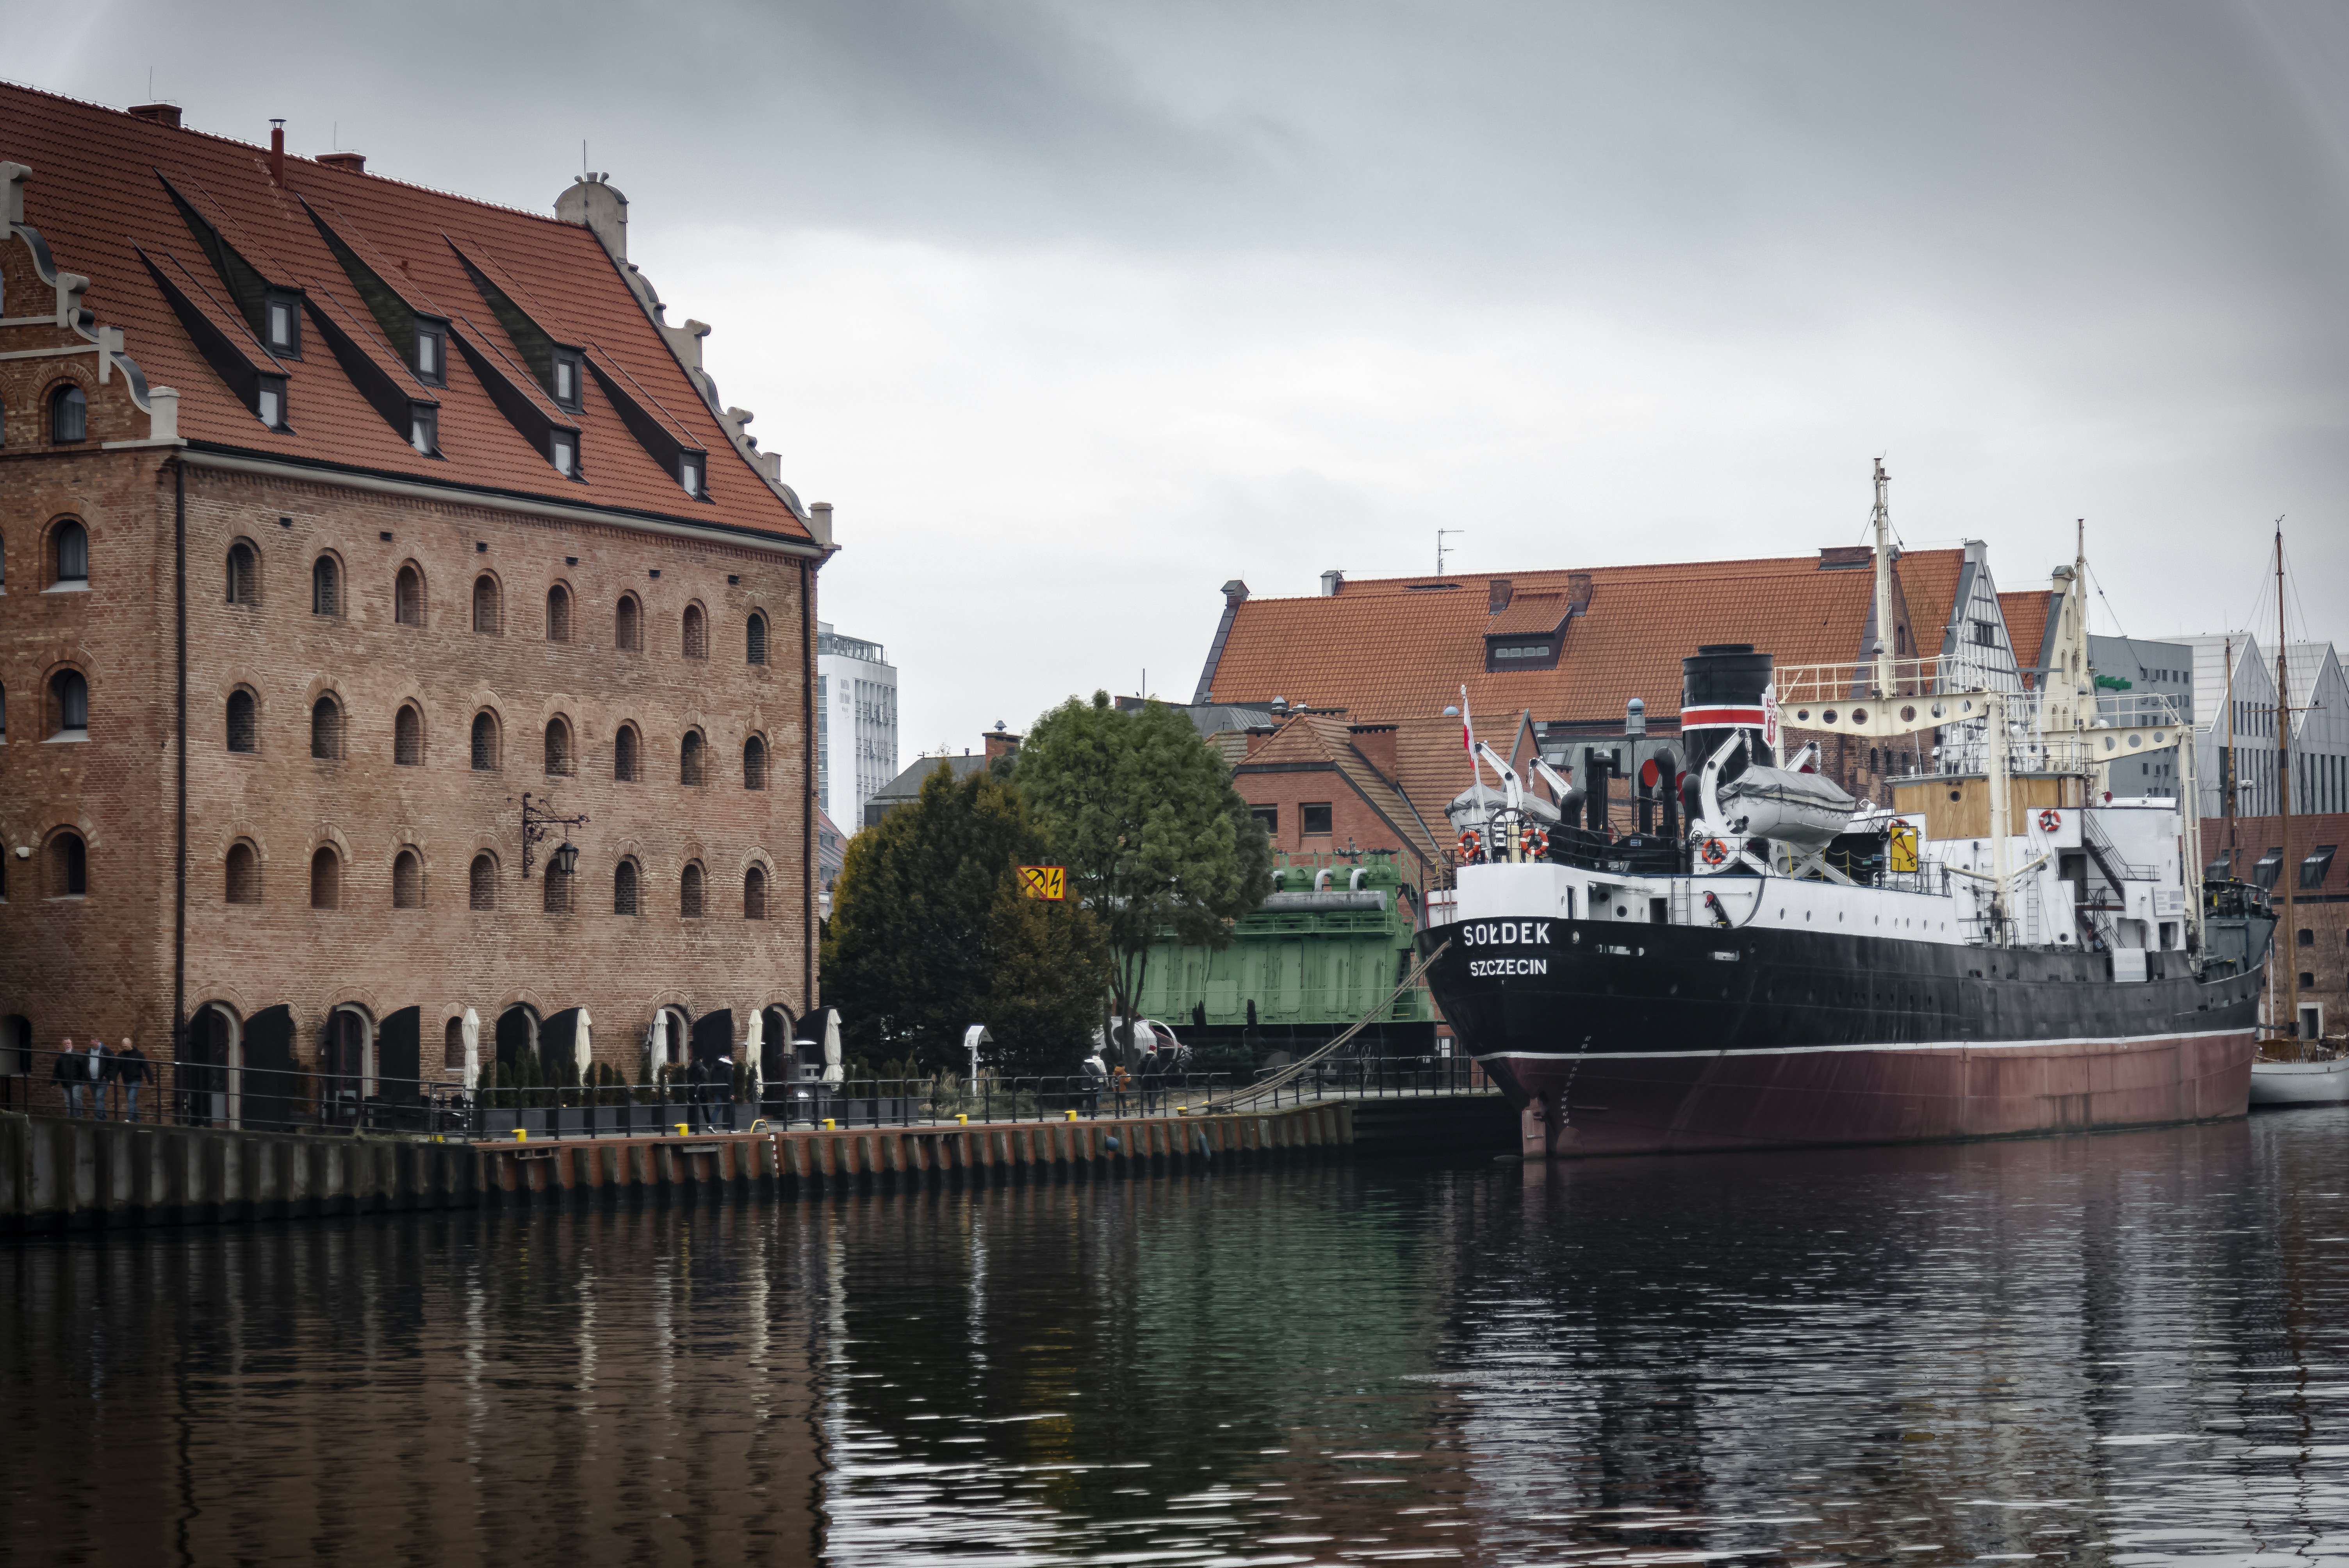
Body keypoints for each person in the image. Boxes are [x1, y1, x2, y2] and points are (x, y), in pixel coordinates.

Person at [112, 1037, 147, 1123]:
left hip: (136, 1080)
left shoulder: (138, 1054)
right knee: (131, 1100)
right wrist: (113, 1079)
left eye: (126, 1043)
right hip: (127, 1080)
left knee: (131, 1099)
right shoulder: (121, 1055)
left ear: (131, 1043)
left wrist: (150, 1080)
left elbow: (145, 1067)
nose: (125, 1045)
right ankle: (138, 1120)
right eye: (123, 1043)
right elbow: (117, 1068)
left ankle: (129, 1118)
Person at [52, 1036, 86, 1118]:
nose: (67, 1045)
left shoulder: (78, 1055)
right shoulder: (61, 1058)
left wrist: (85, 1080)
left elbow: (85, 1067)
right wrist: (54, 1082)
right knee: (68, 1102)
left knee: (75, 1098)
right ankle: (70, 1118)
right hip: (65, 1083)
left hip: (77, 1082)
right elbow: (57, 1071)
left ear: (72, 1044)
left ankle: (78, 1117)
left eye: (68, 1043)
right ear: (63, 1046)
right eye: (65, 1044)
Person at [1080, 1047, 1108, 1117]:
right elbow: (1098, 1075)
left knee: (1086, 1098)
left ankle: (1084, 1111)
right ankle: (1093, 1113)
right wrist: (1103, 1074)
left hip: (1085, 1086)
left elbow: (1080, 1075)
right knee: (1094, 1098)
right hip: (1094, 1085)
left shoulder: (1083, 1067)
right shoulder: (1094, 1066)